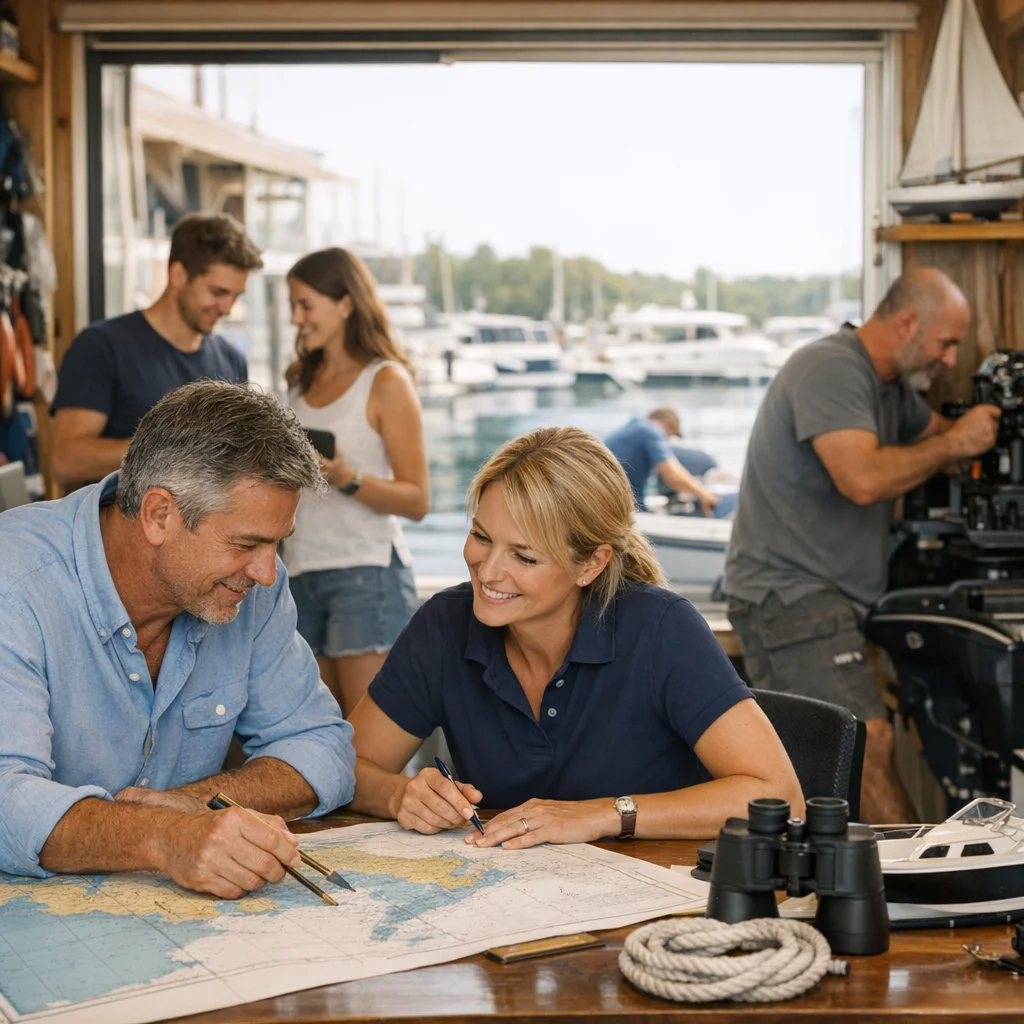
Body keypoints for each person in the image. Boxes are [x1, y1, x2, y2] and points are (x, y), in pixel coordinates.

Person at [346, 426, 802, 846]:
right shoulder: (443, 624)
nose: (487, 571)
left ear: (591, 564)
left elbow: (779, 797)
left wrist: (602, 815)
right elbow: (341, 768)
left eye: (524, 557)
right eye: (481, 537)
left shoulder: (662, 628)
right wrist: (399, 794)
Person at [0, 380, 356, 897]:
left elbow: (324, 747)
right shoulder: (14, 582)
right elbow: (5, 799)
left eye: (277, 544)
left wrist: (199, 802)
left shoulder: (254, 586)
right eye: (247, 543)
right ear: (158, 514)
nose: (267, 573)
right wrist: (163, 839)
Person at [723, 268, 1001, 824]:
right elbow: (864, 478)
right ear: (906, 324)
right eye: (946, 344)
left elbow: (933, 442)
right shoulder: (830, 368)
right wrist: (956, 440)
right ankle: (907, 897)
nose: (950, 361)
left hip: (835, 599)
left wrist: (976, 429)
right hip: (790, 595)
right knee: (865, 741)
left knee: (869, 742)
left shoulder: (889, 389)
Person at [283, 248, 429, 717]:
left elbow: (418, 499)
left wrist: (347, 478)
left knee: (365, 746)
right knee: (317, 733)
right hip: (300, 572)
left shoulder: (386, 381)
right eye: (293, 306)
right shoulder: (299, 383)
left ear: (345, 303)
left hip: (365, 575)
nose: (296, 318)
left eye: (306, 305)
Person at [50, 212, 263, 488]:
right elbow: (66, 462)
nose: (227, 308)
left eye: (236, 296)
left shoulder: (231, 360)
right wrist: (178, 449)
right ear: (178, 275)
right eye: (218, 292)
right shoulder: (101, 346)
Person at [605, 407, 720, 515]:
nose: (668, 441)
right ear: (669, 425)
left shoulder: (632, 427)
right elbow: (671, 474)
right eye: (672, 435)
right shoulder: (651, 431)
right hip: (625, 507)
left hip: (607, 500)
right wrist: (703, 493)